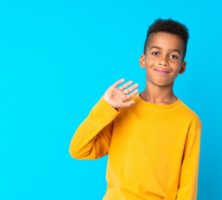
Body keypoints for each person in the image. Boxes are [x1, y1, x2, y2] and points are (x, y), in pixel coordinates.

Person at [69, 18, 203, 200]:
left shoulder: (189, 121)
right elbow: (79, 149)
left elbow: (188, 188)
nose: (163, 61)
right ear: (143, 60)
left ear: (182, 67)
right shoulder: (121, 109)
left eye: (173, 56)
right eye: (156, 53)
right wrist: (105, 107)